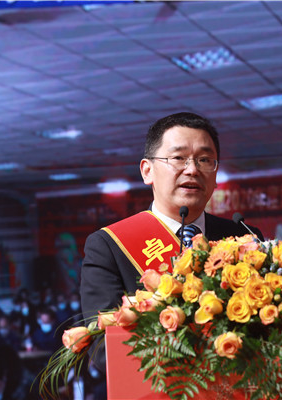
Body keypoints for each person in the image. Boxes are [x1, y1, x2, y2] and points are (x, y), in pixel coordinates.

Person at [80, 112, 263, 371]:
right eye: (178, 158)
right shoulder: (109, 246)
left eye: (204, 160)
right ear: (147, 171)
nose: (192, 169)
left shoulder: (245, 237)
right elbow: (103, 350)